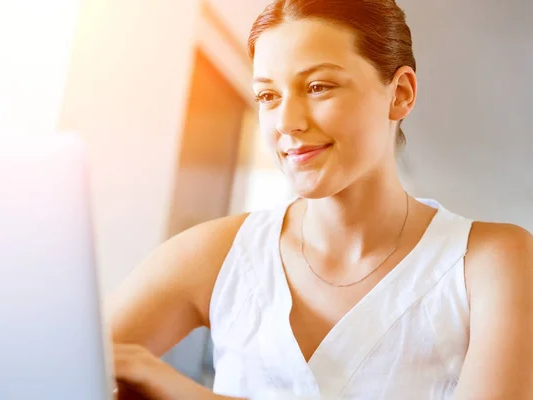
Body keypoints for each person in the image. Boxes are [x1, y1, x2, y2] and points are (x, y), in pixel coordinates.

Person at [109, 0, 533, 398]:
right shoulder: (216, 255)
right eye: (267, 96)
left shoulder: (491, 262)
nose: (287, 123)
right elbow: (60, 372)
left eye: (318, 86)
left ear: (400, 93)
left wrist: (181, 390)